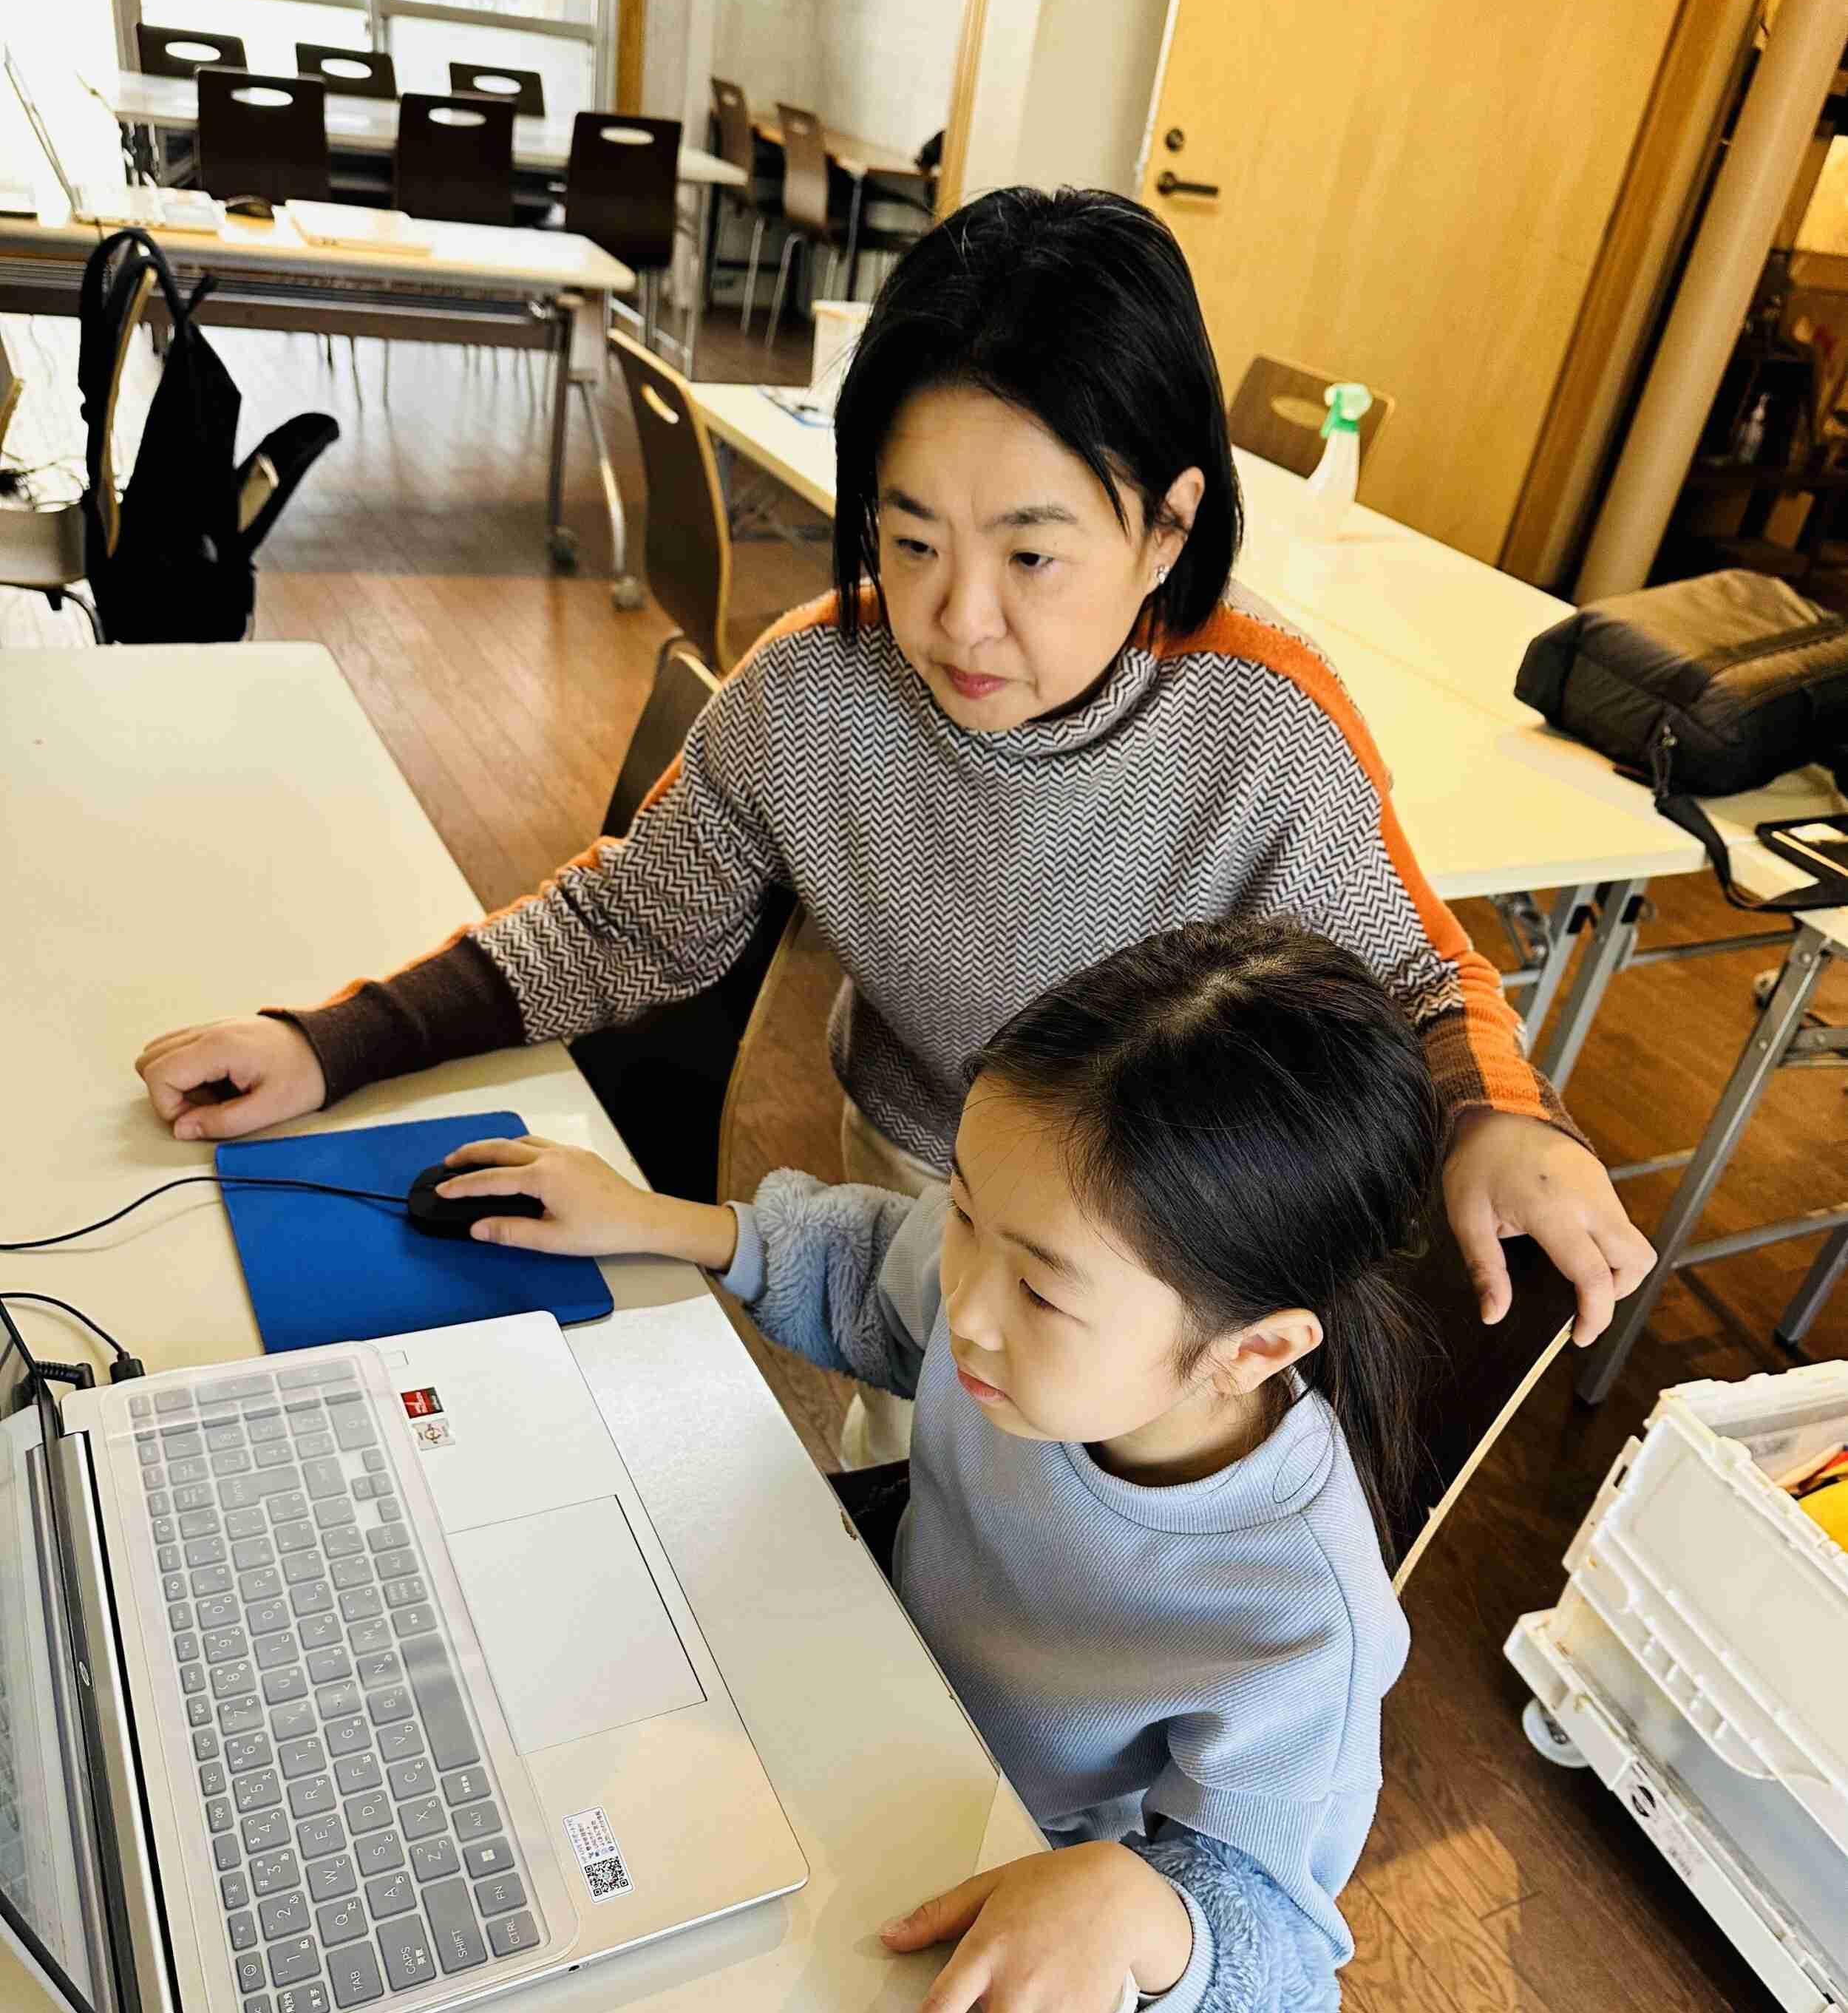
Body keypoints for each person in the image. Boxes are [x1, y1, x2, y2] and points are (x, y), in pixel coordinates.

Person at [135, 185, 1651, 1470]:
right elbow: (629, 918)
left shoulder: (1266, 730)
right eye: (909, 536)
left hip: (1142, 1276)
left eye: (1032, 555)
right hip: (914, 1175)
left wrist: (1499, 1117)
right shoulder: (817, 689)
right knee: (902, 1470)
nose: (955, 616)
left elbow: (1421, 975)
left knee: (1062, 1564)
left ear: (1167, 528)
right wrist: (333, 1043)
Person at [419, 917, 1441, 2013]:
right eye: (967, 1213)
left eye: (1043, 1288)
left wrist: (1143, 1908)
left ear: (1249, 1350)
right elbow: (871, 1264)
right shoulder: (999, 1312)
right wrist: (658, 1218)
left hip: (984, 1861)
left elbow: (1285, 1987)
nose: (968, 1304)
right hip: (846, 1656)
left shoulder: (1301, 1617)